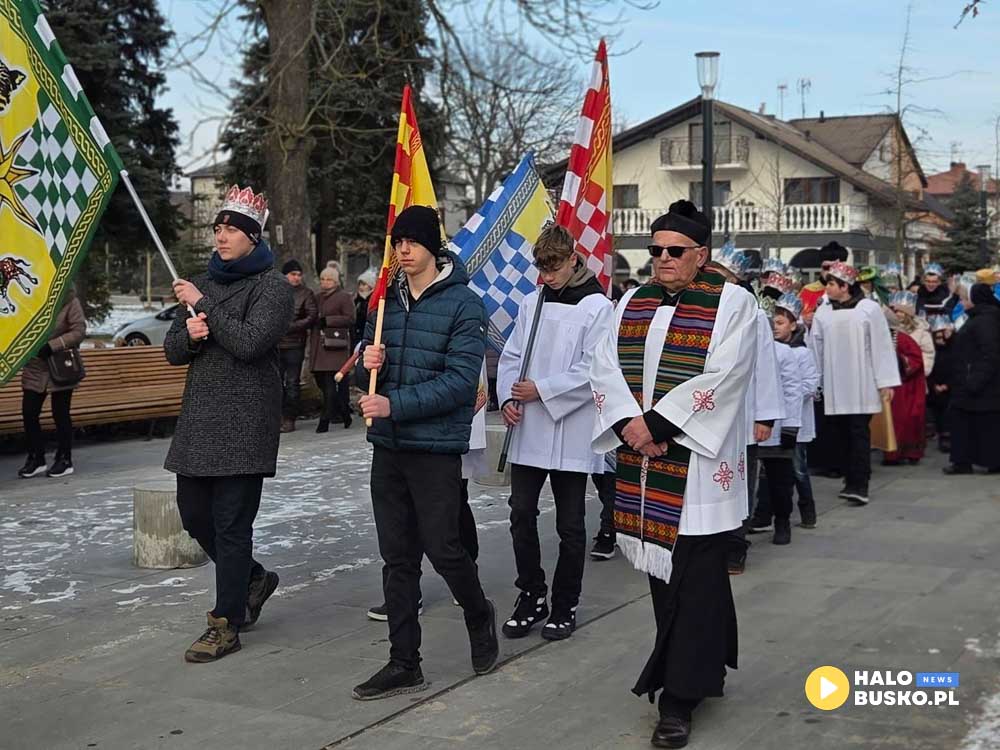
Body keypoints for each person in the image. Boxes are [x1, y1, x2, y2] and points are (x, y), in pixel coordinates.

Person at [589, 200, 758, 749]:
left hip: (701, 469)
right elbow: (603, 364)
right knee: (670, 586)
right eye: (655, 250)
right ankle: (705, 669)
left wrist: (660, 424)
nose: (661, 259)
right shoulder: (631, 301)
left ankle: (677, 698)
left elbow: (725, 375)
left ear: (700, 255)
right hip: (644, 467)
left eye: (674, 251)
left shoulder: (733, 303)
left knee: (698, 581)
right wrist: (628, 426)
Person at [353, 204, 498, 700]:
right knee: (396, 558)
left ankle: (479, 614)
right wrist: (365, 364)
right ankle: (403, 662)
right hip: (388, 448)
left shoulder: (464, 305)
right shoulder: (384, 305)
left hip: (434, 450)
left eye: (411, 242)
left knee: (444, 548)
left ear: (433, 246)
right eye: (397, 243)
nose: (403, 251)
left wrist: (393, 404)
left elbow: (460, 384)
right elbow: (366, 376)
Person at [164, 184, 294, 663]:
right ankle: (254, 578)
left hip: (244, 423)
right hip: (200, 420)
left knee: (232, 524)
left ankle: (226, 621)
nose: (221, 237)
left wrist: (206, 310)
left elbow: (249, 343)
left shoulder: (274, 287)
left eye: (232, 231)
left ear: (253, 238)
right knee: (194, 514)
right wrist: (192, 335)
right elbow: (173, 351)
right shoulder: (204, 282)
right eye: (218, 229)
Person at [497, 223, 613, 641]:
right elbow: (512, 354)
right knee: (520, 514)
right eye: (541, 269)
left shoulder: (598, 307)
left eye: (553, 267)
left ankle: (566, 603)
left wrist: (544, 390)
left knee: (570, 524)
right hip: (528, 426)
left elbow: (596, 369)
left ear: (573, 259)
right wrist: (509, 398)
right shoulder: (532, 302)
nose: (546, 277)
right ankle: (531, 594)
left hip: (570, 429)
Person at [810, 261, 900, 505]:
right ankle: (849, 480)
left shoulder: (868, 309)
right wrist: (814, 381)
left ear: (845, 286)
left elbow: (881, 346)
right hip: (834, 385)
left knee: (859, 433)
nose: (826, 287)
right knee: (841, 435)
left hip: (862, 384)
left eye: (830, 283)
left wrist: (885, 382)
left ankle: (860, 484)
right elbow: (814, 347)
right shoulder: (824, 311)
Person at [747, 293, 805, 545]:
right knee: (749, 479)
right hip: (748, 427)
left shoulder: (783, 352)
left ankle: (782, 521)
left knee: (779, 479)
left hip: (777, 427)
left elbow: (793, 390)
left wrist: (791, 425)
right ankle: (755, 517)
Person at [18, 289, 86, 479]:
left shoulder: (69, 298)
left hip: (60, 365)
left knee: (60, 413)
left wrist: (53, 345)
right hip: (34, 366)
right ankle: (36, 458)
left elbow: (79, 330)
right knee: (29, 412)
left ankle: (64, 459)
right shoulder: (26, 296)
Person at [943, 283, 1000, 474]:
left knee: (981, 424)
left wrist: (974, 380)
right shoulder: (980, 317)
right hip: (973, 381)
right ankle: (965, 461)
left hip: (978, 383)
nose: (962, 302)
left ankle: (969, 461)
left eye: (965, 298)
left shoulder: (985, 320)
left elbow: (989, 353)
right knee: (970, 423)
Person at [882, 293, 928, 465]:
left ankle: (908, 452)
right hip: (895, 384)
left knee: (908, 420)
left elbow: (917, 359)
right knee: (893, 420)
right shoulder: (892, 336)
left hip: (908, 385)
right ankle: (892, 453)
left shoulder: (905, 338)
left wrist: (900, 360)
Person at [310, 266, 356, 431]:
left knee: (331, 384)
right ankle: (344, 412)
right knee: (322, 383)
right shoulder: (316, 297)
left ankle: (325, 420)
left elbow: (350, 318)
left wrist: (329, 320)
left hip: (335, 346)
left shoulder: (343, 297)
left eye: (329, 279)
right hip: (318, 346)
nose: (325, 282)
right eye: (323, 279)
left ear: (336, 281)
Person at [277, 259, 318, 433]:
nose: (296, 278)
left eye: (299, 275)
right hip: (276, 344)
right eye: (293, 274)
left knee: (292, 382)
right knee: (276, 382)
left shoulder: (305, 293)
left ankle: (289, 417)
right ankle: (276, 416)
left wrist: (291, 327)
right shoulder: (276, 291)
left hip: (295, 344)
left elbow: (311, 315)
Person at [926, 316, 956, 452]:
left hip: (950, 390)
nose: (940, 341)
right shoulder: (934, 353)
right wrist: (934, 385)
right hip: (935, 389)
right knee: (938, 415)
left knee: (948, 417)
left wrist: (947, 385)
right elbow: (929, 371)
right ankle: (942, 438)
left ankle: (949, 439)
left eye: (942, 337)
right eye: (937, 338)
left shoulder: (953, 352)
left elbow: (956, 371)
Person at [354, 269, 376, 348]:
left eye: (364, 284)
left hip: (368, 335)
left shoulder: (374, 299)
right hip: (356, 335)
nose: (361, 287)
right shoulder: (356, 300)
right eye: (359, 284)